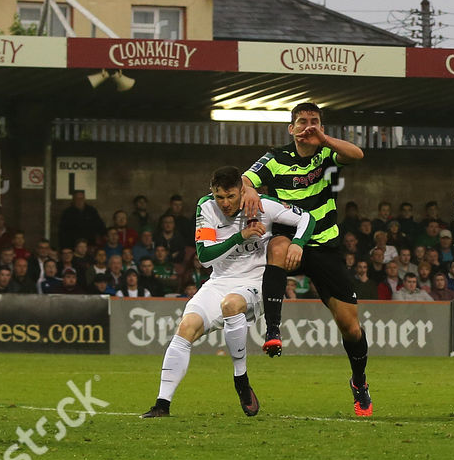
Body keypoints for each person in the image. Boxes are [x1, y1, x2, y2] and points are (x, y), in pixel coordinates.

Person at [142, 166, 312, 419]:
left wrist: (297, 244)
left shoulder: (263, 205)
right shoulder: (206, 207)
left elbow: (307, 218)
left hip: (253, 281)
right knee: (186, 327)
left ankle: (240, 378)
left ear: (242, 191)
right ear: (212, 192)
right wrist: (240, 236)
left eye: (231, 196)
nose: (224, 203)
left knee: (231, 305)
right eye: (219, 196)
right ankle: (162, 404)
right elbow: (205, 257)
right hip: (218, 281)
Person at [241, 102, 374, 416]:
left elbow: (357, 155)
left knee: (350, 327)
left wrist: (324, 139)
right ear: (291, 128)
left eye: (314, 122)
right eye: (302, 122)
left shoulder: (327, 154)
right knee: (276, 247)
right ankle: (273, 331)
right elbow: (245, 180)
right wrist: (249, 190)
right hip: (290, 238)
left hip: (325, 244)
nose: (308, 127)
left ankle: (359, 382)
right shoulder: (275, 158)